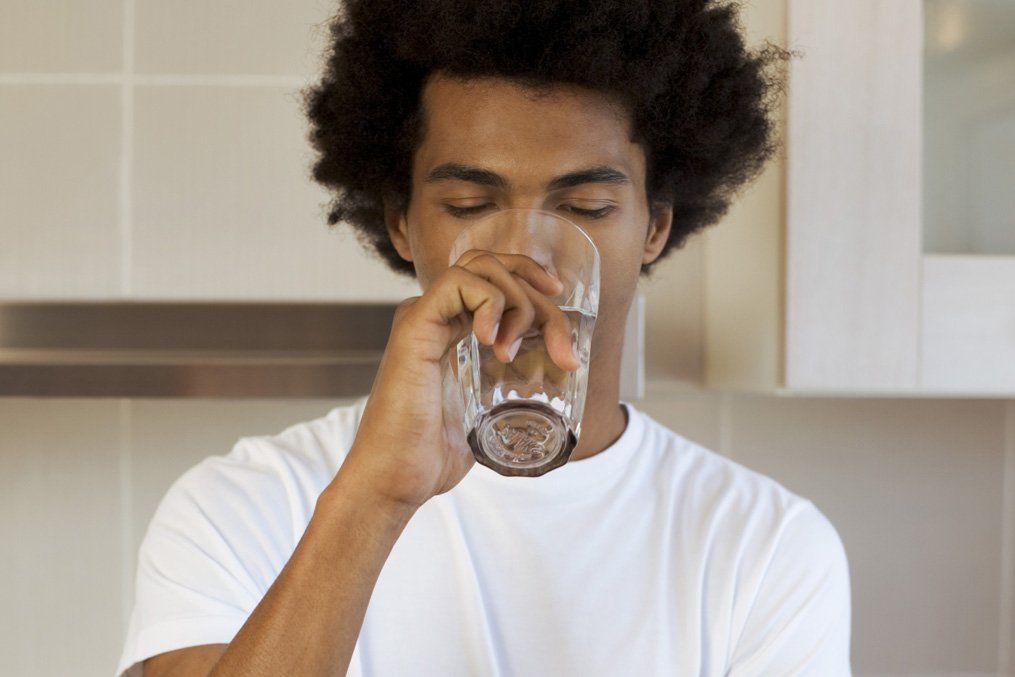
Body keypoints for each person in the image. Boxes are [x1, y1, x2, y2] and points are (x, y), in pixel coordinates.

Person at [117, 1, 851, 675]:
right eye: (470, 203)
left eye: (588, 206)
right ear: (402, 221)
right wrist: (375, 497)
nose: (526, 255)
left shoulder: (766, 544)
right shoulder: (241, 505)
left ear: (653, 227)